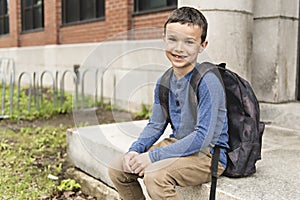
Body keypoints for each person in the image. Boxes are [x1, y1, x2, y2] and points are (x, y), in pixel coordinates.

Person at [108, 6, 229, 200]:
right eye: (172, 39)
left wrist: (152, 157)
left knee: (156, 175)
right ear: (164, 39)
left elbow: (202, 137)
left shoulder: (208, 81)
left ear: (202, 46)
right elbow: (156, 124)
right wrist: (135, 150)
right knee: (119, 167)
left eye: (189, 42)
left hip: (208, 154)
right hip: (178, 143)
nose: (179, 49)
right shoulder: (165, 81)